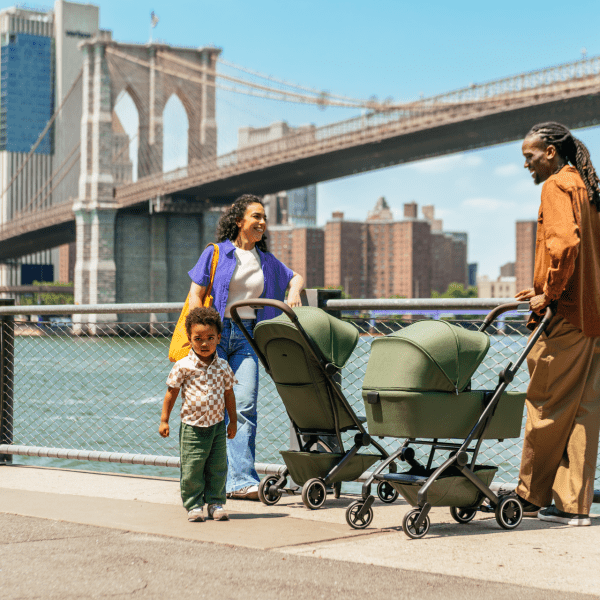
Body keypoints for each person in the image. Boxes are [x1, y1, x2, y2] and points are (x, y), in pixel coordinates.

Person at [511, 122, 600, 526]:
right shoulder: (590, 189)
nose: (526, 165)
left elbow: (564, 244)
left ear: (549, 152)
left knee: (544, 404)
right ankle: (572, 507)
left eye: (529, 157)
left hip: (565, 318)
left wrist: (547, 292)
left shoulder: (557, 186)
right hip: (594, 319)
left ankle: (528, 499)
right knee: (583, 412)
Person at [188, 194, 305, 500]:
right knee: (208, 410)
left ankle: (240, 482)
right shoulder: (215, 253)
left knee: (244, 407)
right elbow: (195, 294)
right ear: (239, 221)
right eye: (256, 217)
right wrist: (198, 336)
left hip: (247, 338)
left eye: (264, 218)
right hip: (214, 337)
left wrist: (293, 291)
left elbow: (296, 277)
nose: (262, 223)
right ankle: (204, 482)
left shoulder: (265, 260)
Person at [159, 307, 238, 522]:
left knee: (218, 467)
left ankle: (215, 503)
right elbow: (171, 393)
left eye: (210, 338)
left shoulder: (223, 366)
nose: (204, 344)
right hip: (192, 427)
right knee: (192, 467)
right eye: (198, 339)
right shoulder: (183, 366)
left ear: (219, 338)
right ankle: (194, 505)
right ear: (190, 339)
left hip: (217, 427)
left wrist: (233, 421)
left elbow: (229, 394)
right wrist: (164, 420)